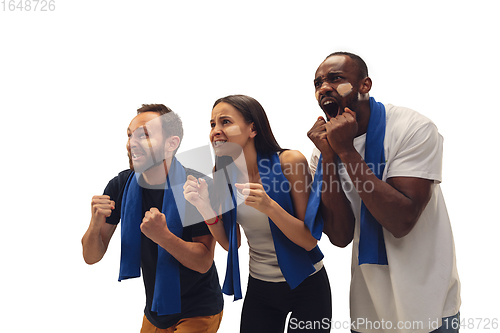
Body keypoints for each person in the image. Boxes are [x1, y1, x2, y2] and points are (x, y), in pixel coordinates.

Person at [307, 52, 461, 333]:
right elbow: (340, 237)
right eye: (317, 83)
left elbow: (401, 221)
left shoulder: (412, 128)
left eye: (335, 78)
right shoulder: (323, 150)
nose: (324, 88)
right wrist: (329, 157)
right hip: (368, 310)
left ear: (365, 85)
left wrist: (345, 151)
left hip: (429, 303)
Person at [183, 95, 332, 332]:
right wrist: (204, 207)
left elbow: (309, 239)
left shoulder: (290, 162)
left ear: (252, 128)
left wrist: (270, 207)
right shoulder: (222, 173)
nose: (216, 131)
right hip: (261, 287)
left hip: (307, 284)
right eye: (212, 125)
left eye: (225, 122)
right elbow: (233, 243)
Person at [81, 104, 223, 333]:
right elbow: (91, 256)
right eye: (129, 135)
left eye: (144, 135)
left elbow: (204, 261)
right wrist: (94, 225)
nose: (132, 142)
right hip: (156, 310)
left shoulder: (196, 186)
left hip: (199, 308)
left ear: (171, 144)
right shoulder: (120, 186)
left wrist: (164, 237)